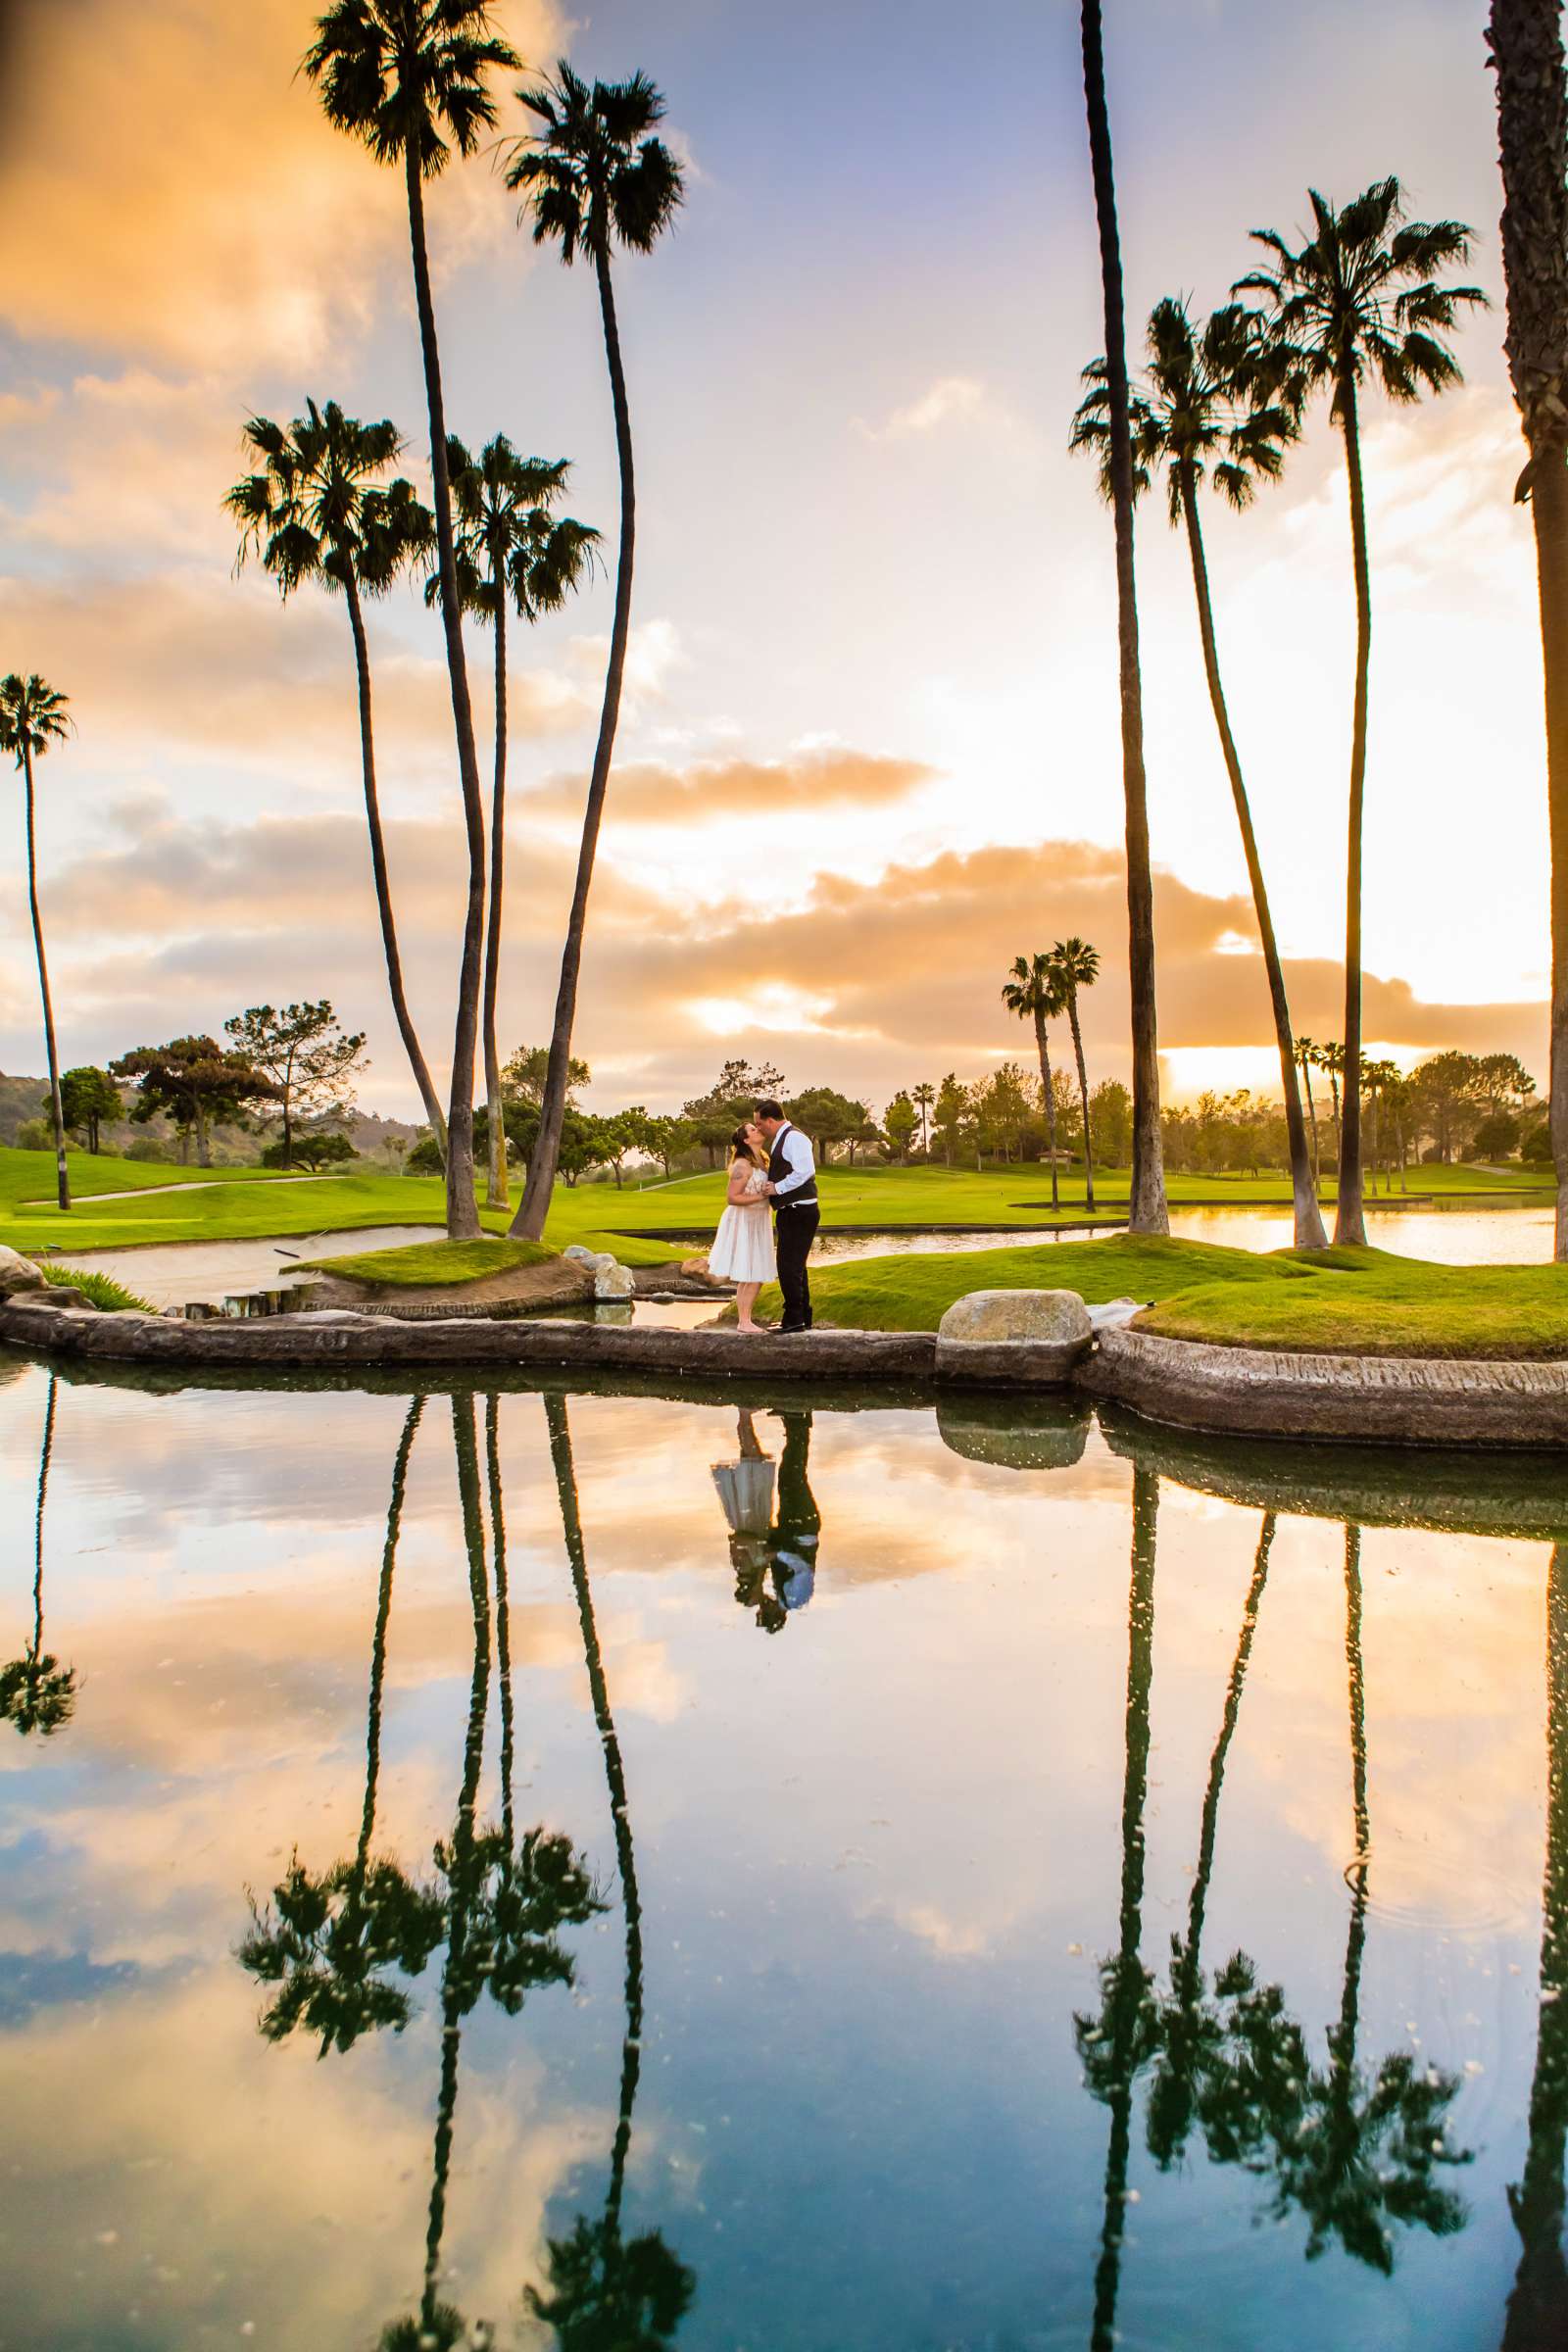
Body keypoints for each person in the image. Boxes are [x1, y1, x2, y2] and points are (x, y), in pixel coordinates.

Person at [754, 1100, 818, 1334]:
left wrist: (777, 1188)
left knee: (788, 1267)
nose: (759, 1128)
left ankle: (793, 1320)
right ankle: (802, 1318)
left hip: (799, 1210)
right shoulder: (782, 1138)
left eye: (759, 1123)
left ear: (771, 1120)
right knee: (796, 1267)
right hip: (792, 1210)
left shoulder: (794, 1138)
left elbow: (806, 1171)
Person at [707, 1120, 775, 1332]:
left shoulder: (762, 1160)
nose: (758, 1129)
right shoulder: (742, 1164)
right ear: (746, 1139)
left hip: (759, 1220)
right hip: (744, 1221)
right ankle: (744, 1321)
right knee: (750, 1272)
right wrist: (761, 1195)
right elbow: (732, 1197)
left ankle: (745, 1320)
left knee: (755, 1273)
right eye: (753, 1129)